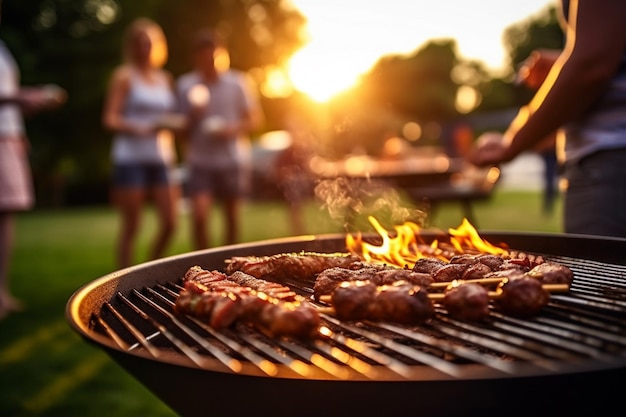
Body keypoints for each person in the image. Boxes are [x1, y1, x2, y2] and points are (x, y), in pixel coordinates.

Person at [468, 0, 626, 238]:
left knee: (603, 271)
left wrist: (512, 144)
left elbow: (591, 65)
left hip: (609, 161)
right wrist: (563, 64)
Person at [102, 18, 180, 269]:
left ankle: (149, 269)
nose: (145, 48)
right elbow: (110, 118)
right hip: (130, 158)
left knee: (170, 222)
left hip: (162, 157)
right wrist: (139, 127)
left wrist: (174, 124)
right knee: (132, 225)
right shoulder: (124, 76)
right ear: (133, 47)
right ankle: (120, 281)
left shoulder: (165, 79)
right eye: (140, 43)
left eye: (150, 43)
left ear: (158, 46)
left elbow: (171, 116)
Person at [176, 29, 262, 249]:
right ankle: (201, 265)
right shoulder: (186, 85)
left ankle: (227, 265)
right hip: (199, 161)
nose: (211, 64)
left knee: (232, 218)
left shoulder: (238, 82)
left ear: (224, 55)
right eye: (206, 59)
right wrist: (193, 115)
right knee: (199, 216)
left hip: (232, 159)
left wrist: (231, 129)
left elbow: (255, 120)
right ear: (197, 59)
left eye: (215, 58)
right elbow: (179, 130)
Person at [0, 34, 66, 318]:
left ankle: (1, 291)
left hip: (9, 137)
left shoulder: (3, 47)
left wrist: (21, 115)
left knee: (6, 216)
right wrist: (22, 96)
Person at [517, 49, 562, 214]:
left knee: (552, 177)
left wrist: (509, 148)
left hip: (553, 150)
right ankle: (549, 202)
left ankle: (550, 202)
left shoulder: (554, 94)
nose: (529, 84)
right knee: (550, 177)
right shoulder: (541, 97)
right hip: (547, 151)